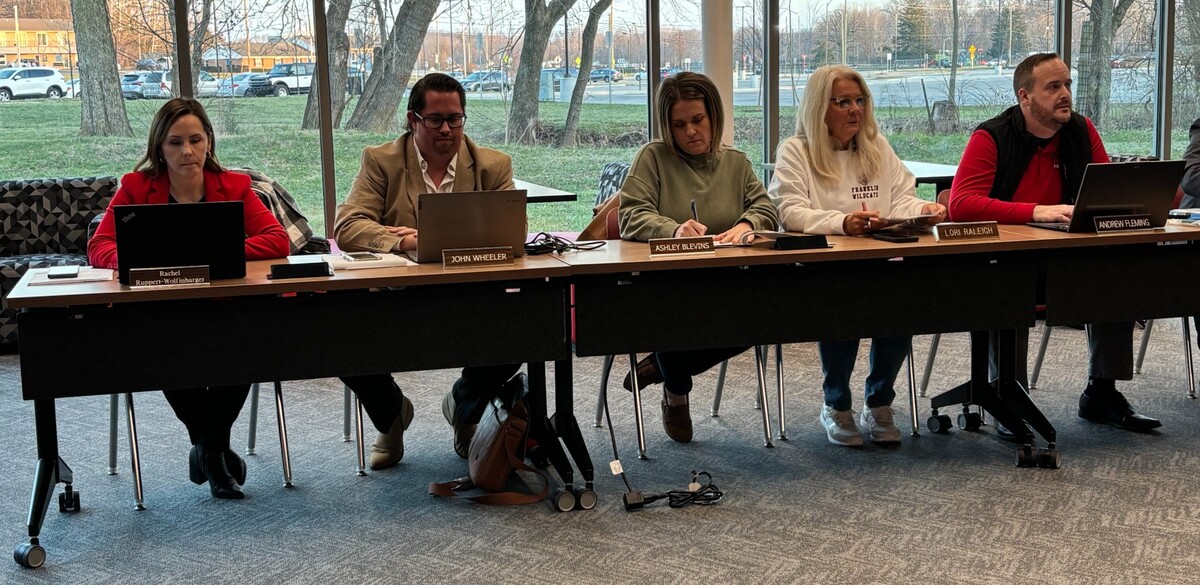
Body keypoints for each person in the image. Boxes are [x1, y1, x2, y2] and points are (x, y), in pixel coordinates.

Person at [88, 97, 291, 499]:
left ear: (209, 143)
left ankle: (207, 451)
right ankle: (214, 453)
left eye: (196, 140)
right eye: (175, 142)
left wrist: (219, 254)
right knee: (163, 347)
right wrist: (138, 262)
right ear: (159, 149)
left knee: (250, 340)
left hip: (225, 310)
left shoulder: (233, 186)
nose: (187, 152)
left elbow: (277, 239)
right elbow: (100, 246)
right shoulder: (135, 187)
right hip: (160, 312)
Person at [948, 52, 1161, 433]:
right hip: (1002, 259)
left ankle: (1101, 393)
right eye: (1053, 87)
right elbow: (961, 204)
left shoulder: (1081, 130)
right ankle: (1004, 394)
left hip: (1066, 254)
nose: (1065, 94)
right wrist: (1035, 211)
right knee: (1010, 282)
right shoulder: (991, 136)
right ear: (1024, 97)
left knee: (1117, 273)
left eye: (1067, 85)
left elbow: (1107, 193)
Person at [333, 72, 523, 467]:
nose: (447, 129)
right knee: (336, 335)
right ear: (412, 119)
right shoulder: (381, 160)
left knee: (526, 328)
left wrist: (442, 237)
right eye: (435, 119)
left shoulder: (492, 165)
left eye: (455, 119)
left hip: (471, 295)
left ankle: (463, 408)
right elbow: (348, 226)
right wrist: (405, 242)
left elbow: (512, 232)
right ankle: (391, 416)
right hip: (396, 297)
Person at [769, 65, 947, 446]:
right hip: (822, 267)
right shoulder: (795, 150)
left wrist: (922, 210)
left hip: (880, 261)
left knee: (901, 303)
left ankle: (878, 401)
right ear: (820, 107)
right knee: (846, 302)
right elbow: (790, 212)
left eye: (860, 101)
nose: (855, 110)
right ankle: (836, 404)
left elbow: (900, 195)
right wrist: (842, 222)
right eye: (844, 102)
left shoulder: (876, 146)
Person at [617, 71, 779, 443]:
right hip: (667, 283)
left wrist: (747, 225)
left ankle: (662, 364)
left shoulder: (736, 163)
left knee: (761, 318)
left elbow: (767, 208)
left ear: (714, 117)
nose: (690, 131)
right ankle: (677, 393)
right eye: (679, 124)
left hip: (728, 282)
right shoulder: (653, 157)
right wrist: (673, 229)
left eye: (697, 120)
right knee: (676, 320)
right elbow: (630, 214)